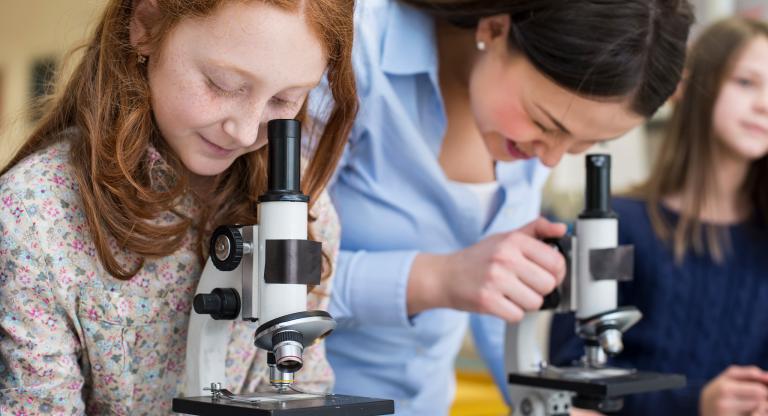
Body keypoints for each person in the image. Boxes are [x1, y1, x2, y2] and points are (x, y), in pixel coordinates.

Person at [318, 0, 694, 414]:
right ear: (495, 29)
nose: (551, 158)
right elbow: (263, 276)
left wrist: (549, 406)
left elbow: (499, 306)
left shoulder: (527, 140)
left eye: (585, 145)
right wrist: (438, 279)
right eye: (548, 123)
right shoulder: (353, 47)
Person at [0, 0, 357, 414]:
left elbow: (306, 382)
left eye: (284, 100)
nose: (244, 132)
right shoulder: (34, 218)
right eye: (222, 84)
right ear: (147, 25)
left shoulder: (307, 204)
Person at [549, 16, 768, 416]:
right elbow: (569, 382)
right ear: (690, 86)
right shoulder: (619, 227)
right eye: (746, 82)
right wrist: (695, 403)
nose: (764, 104)